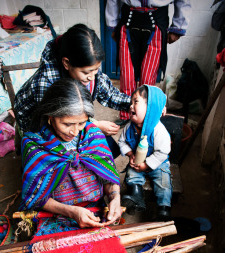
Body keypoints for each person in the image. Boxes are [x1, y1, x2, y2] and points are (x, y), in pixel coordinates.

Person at [19, 78, 122, 233]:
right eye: (67, 124)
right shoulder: (35, 146)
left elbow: (107, 177)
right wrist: (72, 212)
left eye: (81, 123)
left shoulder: (94, 135)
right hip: (55, 215)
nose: (74, 132)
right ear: (50, 116)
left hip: (96, 211)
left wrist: (115, 197)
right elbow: (35, 195)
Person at [14, 23, 131, 158]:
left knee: (108, 149)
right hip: (39, 123)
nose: (93, 77)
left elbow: (110, 95)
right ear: (66, 63)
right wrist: (94, 125)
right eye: (87, 72)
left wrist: (136, 104)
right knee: (63, 160)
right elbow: (51, 121)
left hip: (66, 119)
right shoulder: (46, 83)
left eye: (96, 69)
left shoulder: (90, 72)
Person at [105, 0, 191, 122]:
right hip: (128, 22)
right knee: (127, 75)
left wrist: (178, 27)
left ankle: (144, 117)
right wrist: (113, 24)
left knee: (148, 78)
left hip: (156, 23)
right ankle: (127, 116)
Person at [118, 84, 172, 220]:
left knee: (163, 182)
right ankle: (136, 196)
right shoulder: (129, 128)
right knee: (132, 173)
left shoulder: (159, 130)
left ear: (150, 108)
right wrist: (130, 154)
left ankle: (163, 208)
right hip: (138, 161)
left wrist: (148, 165)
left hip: (158, 163)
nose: (131, 106)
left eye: (135, 102)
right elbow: (122, 142)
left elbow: (163, 151)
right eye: (131, 102)